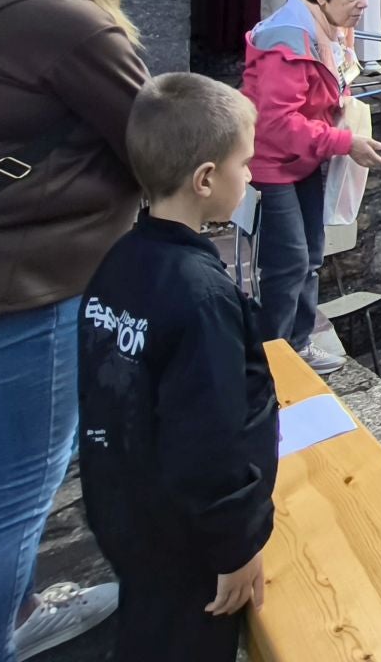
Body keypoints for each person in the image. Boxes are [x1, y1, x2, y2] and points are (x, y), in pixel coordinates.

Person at [0, 0, 168, 660]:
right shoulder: (77, 25)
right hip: (34, 286)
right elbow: (161, 146)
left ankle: (20, 614)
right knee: (18, 498)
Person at [76, 75, 275, 662]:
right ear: (206, 179)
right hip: (189, 539)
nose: (252, 176)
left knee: (147, 626)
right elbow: (208, 436)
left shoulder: (117, 262)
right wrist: (236, 544)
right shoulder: (201, 296)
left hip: (125, 509)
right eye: (245, 163)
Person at [240, 0, 381, 367]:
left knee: (310, 257)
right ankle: (270, 361)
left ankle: (298, 345)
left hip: (302, 160)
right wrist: (345, 143)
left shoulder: (327, 28)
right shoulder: (288, 39)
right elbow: (276, 123)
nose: (362, 5)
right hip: (272, 166)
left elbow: (326, 91)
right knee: (287, 264)